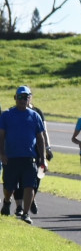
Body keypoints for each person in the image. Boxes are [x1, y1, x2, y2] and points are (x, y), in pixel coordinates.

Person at [0, 85, 48, 224]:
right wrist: (2, 153)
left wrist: (43, 157)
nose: (23, 100)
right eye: (20, 97)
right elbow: (1, 136)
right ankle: (7, 201)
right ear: (15, 98)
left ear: (29, 99)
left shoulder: (34, 116)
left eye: (25, 97)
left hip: (29, 157)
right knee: (9, 186)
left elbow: (40, 138)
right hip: (11, 158)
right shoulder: (7, 115)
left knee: (29, 185)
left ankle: (25, 214)